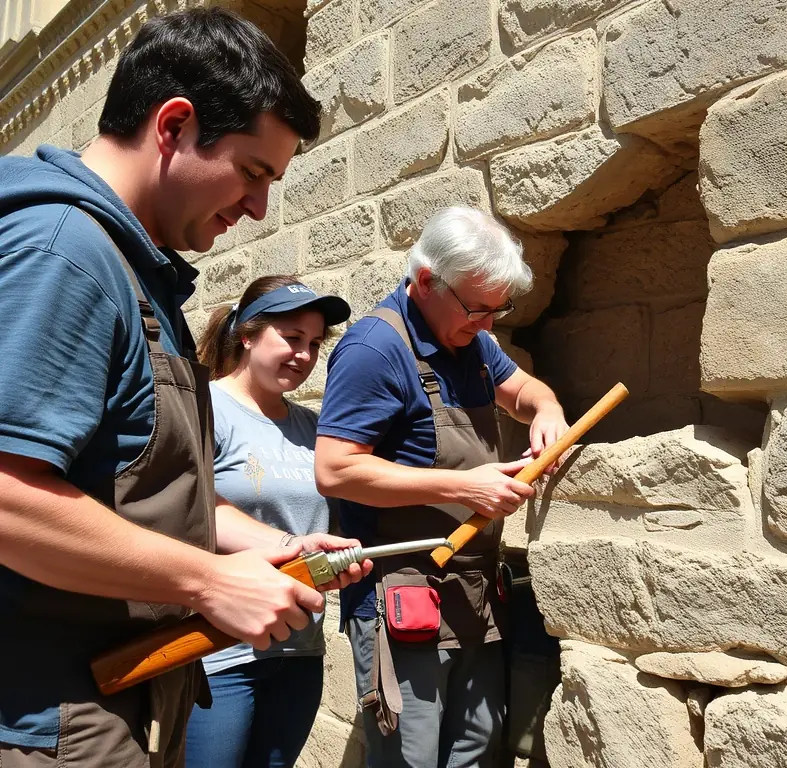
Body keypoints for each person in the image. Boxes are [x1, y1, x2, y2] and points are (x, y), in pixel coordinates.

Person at [0, 9, 370, 768]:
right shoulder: (64, 251)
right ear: (173, 125)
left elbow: (139, 489)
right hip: (45, 722)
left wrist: (276, 548)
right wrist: (206, 581)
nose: (259, 207)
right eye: (254, 172)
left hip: (112, 706)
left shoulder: (136, 269)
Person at [314, 206, 570, 768]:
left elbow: (521, 387)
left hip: (474, 597)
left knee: (475, 750)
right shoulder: (374, 350)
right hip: (402, 599)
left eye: (498, 309)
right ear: (426, 280)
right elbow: (334, 469)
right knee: (410, 757)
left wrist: (545, 408)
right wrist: (465, 487)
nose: (488, 325)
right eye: (477, 308)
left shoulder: (472, 341)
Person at [186, 275, 352, 768]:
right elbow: (186, 511)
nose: (303, 354)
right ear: (247, 334)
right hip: (218, 650)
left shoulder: (315, 429)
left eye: (314, 344)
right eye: (291, 337)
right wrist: (291, 545)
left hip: (300, 650)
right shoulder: (203, 408)